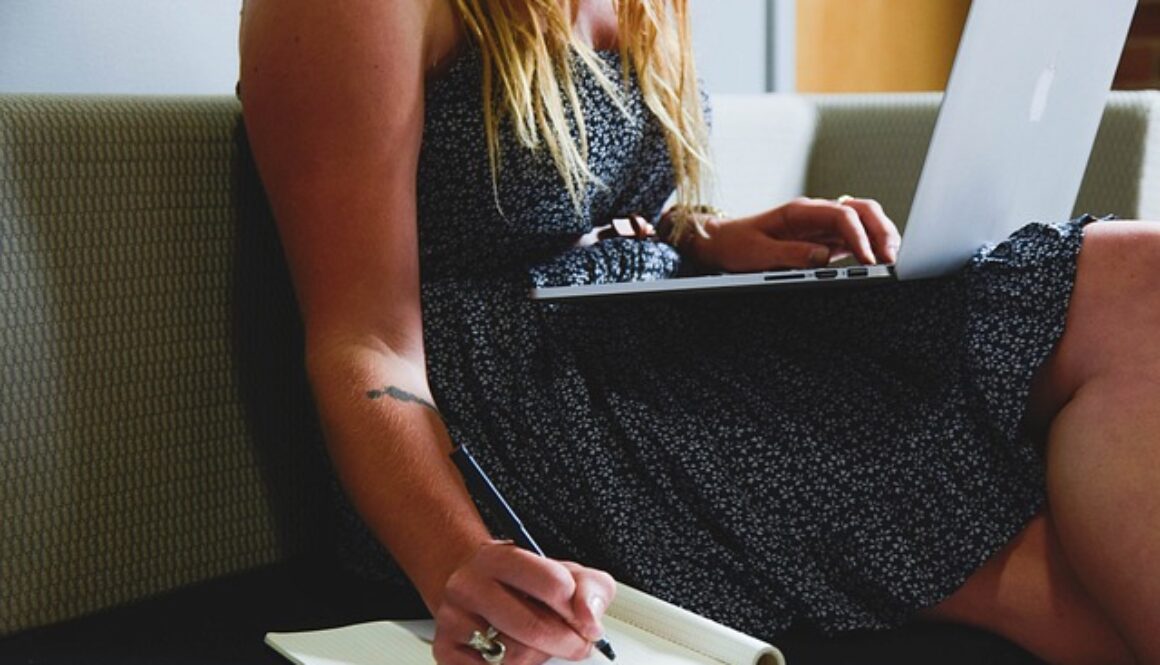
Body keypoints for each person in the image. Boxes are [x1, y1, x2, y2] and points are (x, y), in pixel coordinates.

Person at [237, 1, 1160, 663]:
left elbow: (581, 205)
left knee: (1139, 279)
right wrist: (460, 563)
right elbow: (364, 343)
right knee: (1058, 553)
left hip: (646, 337)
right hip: (510, 416)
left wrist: (709, 239)